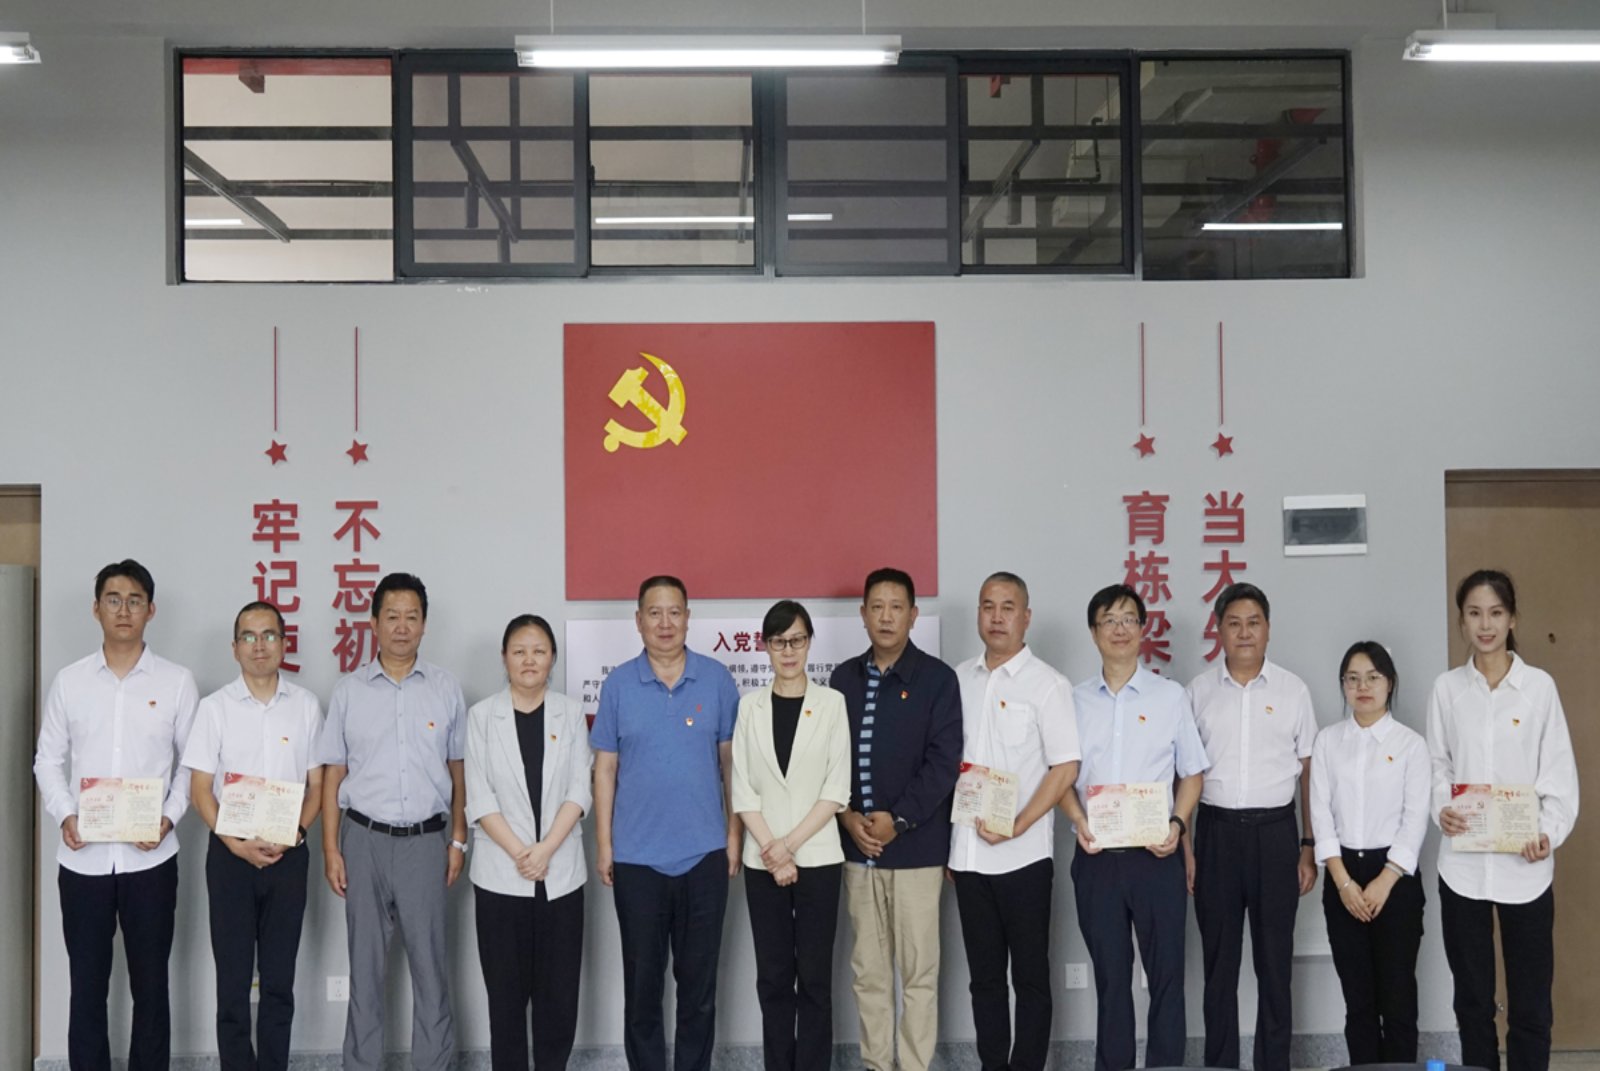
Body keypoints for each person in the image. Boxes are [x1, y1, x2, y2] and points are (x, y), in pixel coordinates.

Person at [33, 559, 199, 1071]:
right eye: (113, 599)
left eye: (133, 601)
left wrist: (168, 818)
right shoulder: (70, 682)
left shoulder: (176, 682)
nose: (123, 610)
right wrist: (65, 814)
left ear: (151, 610)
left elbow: (193, 765)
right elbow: (46, 760)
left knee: (152, 986)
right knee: (86, 986)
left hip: (151, 860)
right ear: (96, 609)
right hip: (83, 860)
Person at [1428, 569, 1579, 1071]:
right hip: (1463, 869)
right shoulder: (1447, 689)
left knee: (1531, 1005)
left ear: (1512, 619)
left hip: (1525, 868)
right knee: (1472, 1003)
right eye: (1474, 613)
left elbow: (1558, 774)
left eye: (1495, 613)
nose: (1485, 625)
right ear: (1462, 621)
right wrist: (1441, 807)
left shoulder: (1539, 688)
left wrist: (1547, 833)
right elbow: (1437, 765)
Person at [316, 572, 468, 1071]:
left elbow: (458, 770)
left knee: (430, 965)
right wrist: (332, 849)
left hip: (426, 841)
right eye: (392, 616)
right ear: (373, 622)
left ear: (424, 624)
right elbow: (333, 775)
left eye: (412, 617)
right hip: (363, 839)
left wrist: (458, 840)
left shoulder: (445, 688)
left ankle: (434, 1064)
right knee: (365, 968)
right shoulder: (348, 691)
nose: (402, 627)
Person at [592, 575, 742, 1071]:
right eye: (654, 613)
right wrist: (605, 845)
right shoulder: (618, 685)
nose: (665, 623)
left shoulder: (717, 680)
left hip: (705, 854)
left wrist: (734, 835)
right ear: (638, 621)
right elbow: (605, 769)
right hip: (637, 859)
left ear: (688, 618)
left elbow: (730, 765)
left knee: (699, 988)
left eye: (674, 612)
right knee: (642, 988)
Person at [1061, 584, 1207, 1071]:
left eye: (1128, 619)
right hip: (1096, 858)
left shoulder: (1170, 697)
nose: (1119, 629)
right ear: (1093, 633)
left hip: (1156, 857)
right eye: (1109, 620)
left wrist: (1177, 824)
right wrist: (1078, 819)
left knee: (1167, 977)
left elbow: (1192, 774)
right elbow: (1059, 777)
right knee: (1111, 980)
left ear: (1143, 629)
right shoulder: (1074, 700)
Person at [829, 567, 962, 1071]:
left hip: (917, 854)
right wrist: (848, 819)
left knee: (918, 974)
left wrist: (898, 819)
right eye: (877, 607)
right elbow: (830, 761)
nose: (886, 617)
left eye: (896, 607)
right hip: (857, 851)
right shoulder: (843, 679)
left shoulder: (937, 679)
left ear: (913, 615)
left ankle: (914, 1066)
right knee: (869, 973)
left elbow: (943, 762)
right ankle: (877, 1064)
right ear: (863, 614)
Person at [182, 600, 324, 1071]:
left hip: (289, 856)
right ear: (234, 647)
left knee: (279, 981)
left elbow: (318, 786)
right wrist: (233, 842)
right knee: (233, 982)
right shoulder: (214, 708)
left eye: (268, 635)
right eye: (248, 636)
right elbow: (200, 789)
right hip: (230, 858)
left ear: (283, 644)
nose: (258, 645)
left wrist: (294, 834)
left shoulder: (305, 707)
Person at [1184, 582, 1318, 1071]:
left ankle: (1273, 1064)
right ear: (1218, 630)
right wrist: (1187, 849)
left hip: (1276, 836)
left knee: (1275, 967)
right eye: (1234, 623)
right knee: (1219, 968)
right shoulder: (1197, 692)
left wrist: (1308, 845)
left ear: (1268, 629)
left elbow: (1309, 773)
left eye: (1253, 623)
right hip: (1215, 835)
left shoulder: (1293, 690)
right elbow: (1185, 775)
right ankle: (1220, 1064)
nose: (1244, 633)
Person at [949, 572, 1080, 1071]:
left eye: (1008, 607)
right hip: (968, 857)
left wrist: (1018, 824)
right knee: (983, 979)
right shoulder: (958, 679)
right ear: (978, 615)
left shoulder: (1048, 684)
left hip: (1024, 857)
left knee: (1029, 978)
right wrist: (951, 849)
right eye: (988, 606)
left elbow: (1065, 768)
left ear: (1026, 617)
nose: (997, 617)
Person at [465, 614, 593, 1071]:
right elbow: (479, 796)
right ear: (505, 658)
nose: (529, 660)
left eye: (539, 651)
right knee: (505, 997)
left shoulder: (570, 713)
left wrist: (545, 850)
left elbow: (580, 789)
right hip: (501, 878)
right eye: (519, 651)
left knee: (559, 996)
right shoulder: (482, 717)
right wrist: (523, 853)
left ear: (552, 658)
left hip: (560, 875)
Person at [731, 599, 851, 1071]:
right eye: (779, 641)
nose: (788, 650)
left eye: (797, 640)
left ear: (809, 643)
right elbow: (742, 789)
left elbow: (836, 789)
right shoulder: (749, 707)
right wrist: (772, 850)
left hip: (818, 857)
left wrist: (788, 847)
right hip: (762, 862)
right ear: (765, 646)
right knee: (774, 978)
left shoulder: (832, 704)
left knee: (816, 980)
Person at [1309, 640, 1428, 1065]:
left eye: (1373, 677)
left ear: (1389, 683)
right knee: (1358, 1001)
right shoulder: (1328, 742)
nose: (1363, 687)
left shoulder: (1411, 744)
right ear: (1343, 684)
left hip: (1395, 879)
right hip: (1342, 876)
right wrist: (1342, 882)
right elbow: (1320, 813)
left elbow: (1415, 818)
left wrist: (1386, 879)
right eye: (1353, 678)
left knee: (1397, 999)